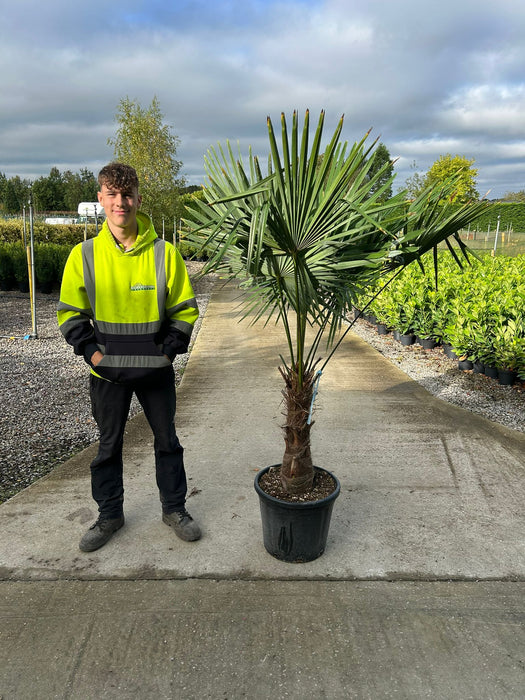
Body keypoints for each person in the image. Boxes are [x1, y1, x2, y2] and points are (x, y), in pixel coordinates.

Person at [58, 162, 201, 552]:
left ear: (138, 198)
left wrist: (167, 351)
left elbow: (185, 311)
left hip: (155, 374)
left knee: (167, 442)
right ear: (101, 199)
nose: (120, 202)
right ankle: (109, 516)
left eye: (127, 194)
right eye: (112, 194)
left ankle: (174, 509)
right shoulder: (83, 255)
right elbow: (70, 313)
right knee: (107, 446)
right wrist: (93, 354)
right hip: (107, 376)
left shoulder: (164, 254)